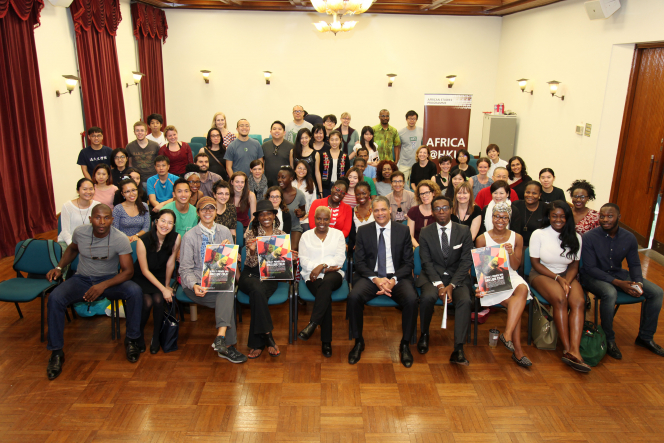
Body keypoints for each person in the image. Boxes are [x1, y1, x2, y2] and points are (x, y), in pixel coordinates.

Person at [45, 205, 144, 380]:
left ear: (112, 220)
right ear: (90, 219)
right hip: (82, 279)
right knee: (55, 298)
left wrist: (103, 286)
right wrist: (60, 267)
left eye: (106, 218)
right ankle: (56, 352)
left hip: (109, 280)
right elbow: (73, 249)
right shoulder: (80, 232)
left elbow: (128, 271)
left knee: (135, 291)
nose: (102, 222)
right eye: (98, 217)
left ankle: (132, 340)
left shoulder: (119, 238)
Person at [580, 203, 664, 360]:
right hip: (593, 276)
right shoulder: (589, 237)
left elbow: (634, 264)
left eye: (610, 216)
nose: (605, 220)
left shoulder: (629, 237)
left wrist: (638, 282)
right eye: (602, 216)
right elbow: (590, 268)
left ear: (619, 217)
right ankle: (609, 339)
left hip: (619, 274)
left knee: (657, 292)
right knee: (610, 293)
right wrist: (618, 283)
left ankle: (645, 337)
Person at [347, 197, 417, 367]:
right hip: (371, 277)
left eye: (383, 209)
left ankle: (405, 344)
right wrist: (376, 279)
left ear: (390, 210)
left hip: (397, 277)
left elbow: (409, 263)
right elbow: (360, 263)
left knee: (412, 299)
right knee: (354, 297)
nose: (380, 213)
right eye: (376, 210)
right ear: (372, 211)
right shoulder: (363, 231)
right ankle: (358, 341)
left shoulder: (403, 231)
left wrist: (393, 280)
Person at [180, 197, 247, 363]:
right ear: (198, 213)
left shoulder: (224, 231)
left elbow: (228, 266)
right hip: (196, 284)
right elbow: (185, 269)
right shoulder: (189, 236)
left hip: (218, 279)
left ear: (216, 212)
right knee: (228, 294)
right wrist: (194, 284)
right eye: (204, 209)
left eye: (211, 209)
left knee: (226, 288)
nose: (208, 212)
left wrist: (228, 252)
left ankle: (221, 339)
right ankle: (227, 345)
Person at [529, 201, 589, 372]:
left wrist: (567, 281)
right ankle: (567, 347)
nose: (558, 219)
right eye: (554, 216)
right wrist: (557, 278)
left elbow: (574, 265)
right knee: (561, 299)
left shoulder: (575, 236)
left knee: (579, 302)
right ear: (549, 216)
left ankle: (575, 351)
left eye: (562, 216)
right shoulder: (539, 234)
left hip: (566, 275)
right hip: (541, 274)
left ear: (567, 217)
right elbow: (535, 263)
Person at [416, 195, 473, 363]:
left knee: (464, 301)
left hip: (458, 277)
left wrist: (453, 284)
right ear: (432, 212)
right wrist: (440, 285)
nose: (441, 212)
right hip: (433, 276)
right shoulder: (426, 232)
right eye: (437, 209)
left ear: (451, 209)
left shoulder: (463, 231)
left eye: (445, 208)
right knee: (427, 297)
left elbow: (466, 261)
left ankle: (459, 348)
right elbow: (426, 262)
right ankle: (424, 334)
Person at [474, 202, 532, 367]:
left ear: (509, 219)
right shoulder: (482, 239)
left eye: (504, 217)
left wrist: (510, 252)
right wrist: (485, 285)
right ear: (492, 217)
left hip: (511, 274)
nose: (500, 220)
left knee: (522, 288)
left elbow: (514, 266)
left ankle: (507, 334)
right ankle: (518, 351)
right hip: (492, 276)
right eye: (497, 216)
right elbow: (484, 270)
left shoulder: (517, 238)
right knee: (517, 306)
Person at [239, 200, 298, 358]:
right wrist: (252, 252)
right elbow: (250, 262)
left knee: (257, 296)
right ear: (257, 217)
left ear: (274, 215)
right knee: (257, 290)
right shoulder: (251, 233)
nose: (265, 217)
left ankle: (258, 343)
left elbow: (282, 265)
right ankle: (268, 337)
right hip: (251, 274)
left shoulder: (281, 235)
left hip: (271, 276)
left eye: (269, 214)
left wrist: (290, 259)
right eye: (262, 214)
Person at [297, 206, 347, 356]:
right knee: (324, 296)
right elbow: (303, 259)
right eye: (319, 218)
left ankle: (313, 323)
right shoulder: (305, 236)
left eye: (326, 219)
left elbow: (340, 259)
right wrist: (315, 268)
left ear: (330, 220)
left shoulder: (338, 235)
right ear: (314, 219)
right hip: (311, 276)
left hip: (334, 274)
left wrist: (322, 267)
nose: (322, 222)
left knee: (325, 285)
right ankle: (326, 341)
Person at [132, 209, 181, 354]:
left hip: (160, 275)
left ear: (173, 225)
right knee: (147, 302)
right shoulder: (143, 240)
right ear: (156, 222)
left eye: (170, 223)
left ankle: (156, 337)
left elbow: (171, 263)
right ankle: (138, 335)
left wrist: (166, 285)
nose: (165, 225)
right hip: (142, 277)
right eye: (163, 221)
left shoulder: (176, 238)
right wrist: (163, 288)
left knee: (159, 300)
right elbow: (145, 271)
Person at [58, 178, 101, 245]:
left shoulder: (97, 205)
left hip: (89, 242)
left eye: (91, 189)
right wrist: (74, 246)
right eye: (85, 189)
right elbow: (65, 232)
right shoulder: (67, 206)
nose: (88, 192)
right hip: (68, 242)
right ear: (78, 191)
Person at [277, 166, 306, 249]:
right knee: (279, 251)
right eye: (278, 177)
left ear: (291, 178)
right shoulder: (275, 193)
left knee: (292, 251)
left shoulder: (300, 194)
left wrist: (300, 213)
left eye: (283, 177)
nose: (280, 180)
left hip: (294, 227)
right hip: (278, 228)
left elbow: (303, 211)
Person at [511, 181, 546, 247]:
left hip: (538, 246)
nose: (530, 195)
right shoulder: (515, 205)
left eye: (534, 193)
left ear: (540, 195)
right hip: (516, 245)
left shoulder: (545, 208)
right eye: (528, 192)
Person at [126, 121, 160, 188]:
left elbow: (158, 163)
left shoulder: (155, 145)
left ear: (146, 132)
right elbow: (129, 164)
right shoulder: (129, 146)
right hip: (137, 180)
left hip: (153, 179)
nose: (140, 132)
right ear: (134, 132)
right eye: (137, 130)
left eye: (142, 130)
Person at [407, 180, 440, 247]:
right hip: (416, 247)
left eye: (427, 192)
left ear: (433, 193)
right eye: (421, 193)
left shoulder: (440, 211)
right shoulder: (413, 211)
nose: (424, 196)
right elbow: (410, 236)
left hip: (435, 248)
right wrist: (419, 248)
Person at [291, 128, 323, 195]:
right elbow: (291, 170)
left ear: (310, 138)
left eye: (306, 137)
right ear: (298, 139)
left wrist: (320, 191)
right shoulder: (293, 152)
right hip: (296, 186)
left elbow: (317, 173)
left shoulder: (316, 154)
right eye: (302, 138)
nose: (304, 140)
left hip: (310, 186)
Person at [262, 121, 294, 186]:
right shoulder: (264, 146)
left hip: (285, 183)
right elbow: (261, 164)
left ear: (284, 132)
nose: (277, 131)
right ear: (270, 132)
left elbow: (292, 167)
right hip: (268, 182)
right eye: (274, 129)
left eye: (279, 129)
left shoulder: (291, 147)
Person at [319, 130, 349, 196]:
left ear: (341, 140)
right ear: (328, 140)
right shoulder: (323, 155)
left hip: (340, 187)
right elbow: (319, 171)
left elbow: (347, 173)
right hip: (325, 187)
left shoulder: (345, 156)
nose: (334, 142)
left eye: (336, 140)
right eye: (332, 140)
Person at [397, 110, 423, 185]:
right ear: (406, 119)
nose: (412, 121)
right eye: (410, 118)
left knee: (417, 184)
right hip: (404, 163)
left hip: (417, 163)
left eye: (414, 119)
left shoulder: (421, 131)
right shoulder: (401, 132)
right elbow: (398, 147)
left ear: (416, 120)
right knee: (402, 184)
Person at [292, 160, 317, 230]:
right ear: (295, 169)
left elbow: (313, 203)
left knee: (306, 230)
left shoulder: (311, 184)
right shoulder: (290, 183)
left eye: (304, 169)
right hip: (291, 217)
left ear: (307, 171)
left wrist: (305, 216)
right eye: (299, 168)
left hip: (306, 217)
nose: (301, 170)